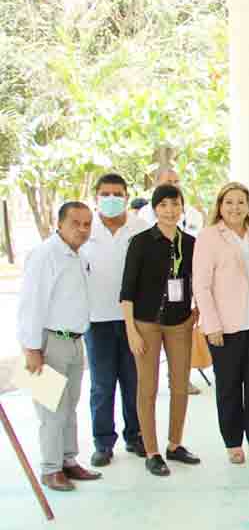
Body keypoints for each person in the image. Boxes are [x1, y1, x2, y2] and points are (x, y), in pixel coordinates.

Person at [17, 201, 103, 491]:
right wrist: (31, 349)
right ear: (60, 224)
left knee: (69, 407)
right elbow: (31, 303)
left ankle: (68, 460)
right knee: (51, 409)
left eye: (87, 224)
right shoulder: (45, 255)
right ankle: (51, 469)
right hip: (48, 342)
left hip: (75, 341)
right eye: (75, 223)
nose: (82, 229)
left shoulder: (79, 255)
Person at [120, 184, 202, 476]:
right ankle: (152, 451)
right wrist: (131, 330)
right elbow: (127, 291)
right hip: (146, 324)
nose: (170, 210)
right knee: (148, 388)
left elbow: (199, 282)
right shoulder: (140, 242)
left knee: (180, 386)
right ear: (155, 209)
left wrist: (196, 312)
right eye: (163, 205)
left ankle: (174, 444)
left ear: (182, 208)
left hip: (179, 323)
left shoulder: (190, 243)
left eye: (175, 204)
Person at [193, 182, 249, 465]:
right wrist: (211, 324)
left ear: (248, 207)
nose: (235, 207)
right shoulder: (209, 237)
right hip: (224, 327)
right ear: (220, 206)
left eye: (241, 202)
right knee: (228, 387)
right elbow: (201, 285)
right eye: (229, 202)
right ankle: (233, 442)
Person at [80, 173, 149, 467]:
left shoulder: (140, 228)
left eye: (117, 194)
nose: (111, 199)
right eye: (105, 194)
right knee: (102, 385)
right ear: (96, 197)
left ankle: (136, 436)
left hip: (134, 321)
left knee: (134, 383)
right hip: (96, 321)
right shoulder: (85, 229)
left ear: (126, 196)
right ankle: (103, 443)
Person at [140, 167, 202, 395]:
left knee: (180, 350)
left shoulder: (191, 214)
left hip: (181, 295)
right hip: (152, 300)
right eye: (168, 181)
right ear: (156, 184)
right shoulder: (143, 217)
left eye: (176, 181)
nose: (173, 185)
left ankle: (179, 380)